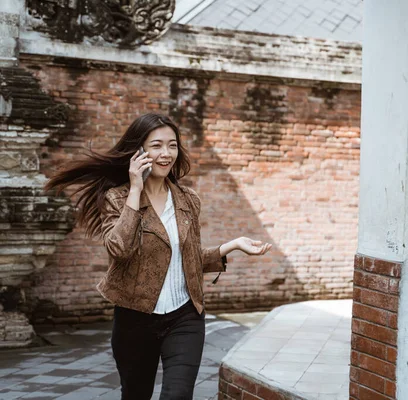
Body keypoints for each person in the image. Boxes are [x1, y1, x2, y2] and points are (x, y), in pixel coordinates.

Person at [45, 113, 272, 399]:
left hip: (185, 317)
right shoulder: (117, 198)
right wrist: (136, 190)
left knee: (177, 396)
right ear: (138, 151)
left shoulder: (189, 200)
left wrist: (231, 246)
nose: (166, 154)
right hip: (134, 319)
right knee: (135, 394)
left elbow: (185, 260)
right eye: (156, 145)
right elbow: (119, 250)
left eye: (172, 145)